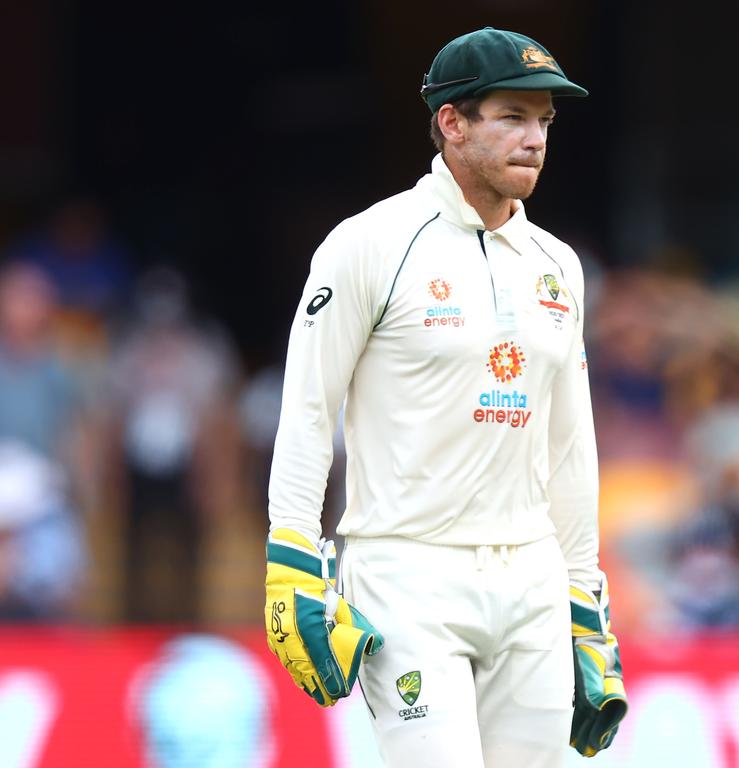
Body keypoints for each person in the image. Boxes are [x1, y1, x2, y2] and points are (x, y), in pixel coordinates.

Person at [264, 27, 626, 768]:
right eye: (514, 117)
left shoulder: (559, 266)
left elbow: (569, 443)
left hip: (530, 578)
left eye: (545, 123)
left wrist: (584, 602)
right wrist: (293, 556)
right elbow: (307, 408)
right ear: (452, 122)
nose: (534, 139)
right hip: (406, 572)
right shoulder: (369, 244)